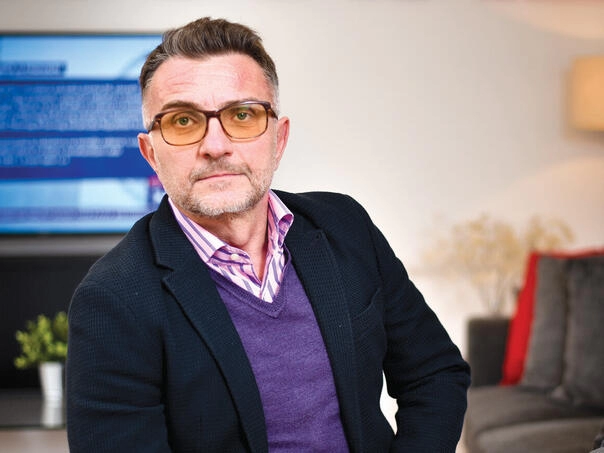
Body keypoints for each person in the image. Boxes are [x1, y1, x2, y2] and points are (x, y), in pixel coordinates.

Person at [66, 16, 470, 453]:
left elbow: (435, 373)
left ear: (279, 139)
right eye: (183, 121)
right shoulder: (112, 300)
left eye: (242, 115)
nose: (215, 146)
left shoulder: (346, 226)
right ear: (150, 153)